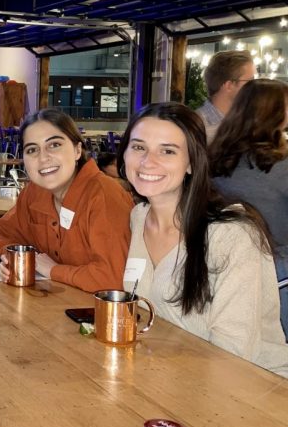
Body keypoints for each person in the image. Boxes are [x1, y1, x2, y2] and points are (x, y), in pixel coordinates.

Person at [118, 101, 288, 378]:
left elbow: (232, 350)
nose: (148, 161)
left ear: (191, 163)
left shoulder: (232, 234)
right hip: (163, 375)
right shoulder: (139, 216)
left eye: (168, 151)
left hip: (248, 387)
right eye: (138, 147)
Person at [0, 109, 133, 292]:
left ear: (77, 150)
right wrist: (17, 258)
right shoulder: (34, 192)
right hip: (48, 309)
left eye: (54, 145)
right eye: (32, 149)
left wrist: (53, 270)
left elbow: (112, 279)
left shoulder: (104, 196)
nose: (43, 158)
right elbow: (1, 235)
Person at [208, 79, 288, 338]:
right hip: (278, 270)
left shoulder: (214, 157)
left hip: (222, 266)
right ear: (274, 111)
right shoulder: (282, 165)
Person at [195, 50, 255, 143]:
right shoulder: (196, 127)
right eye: (250, 81)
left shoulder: (246, 122)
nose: (254, 86)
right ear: (229, 85)